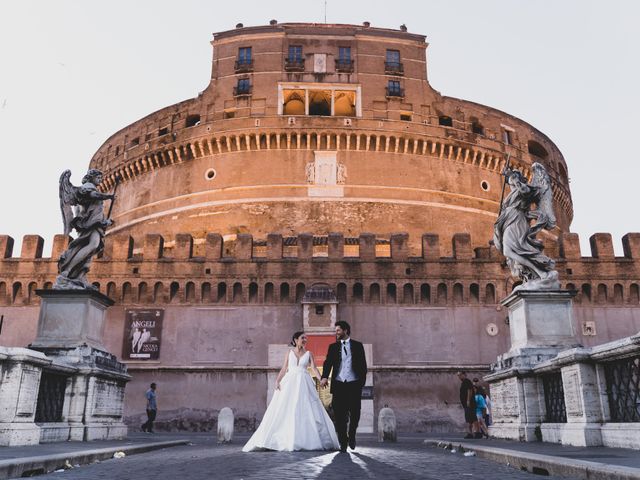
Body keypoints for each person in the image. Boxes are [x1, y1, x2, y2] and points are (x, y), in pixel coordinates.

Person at [243, 332, 339, 452]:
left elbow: (314, 368)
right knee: (286, 407)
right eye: (302, 338)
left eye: (306, 338)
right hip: (290, 382)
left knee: (305, 408)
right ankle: (282, 438)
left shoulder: (309, 354)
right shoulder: (289, 353)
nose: (305, 340)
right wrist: (278, 381)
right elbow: (284, 368)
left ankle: (307, 439)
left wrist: (321, 379)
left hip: (304, 382)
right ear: (295, 339)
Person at [320, 321, 368, 453]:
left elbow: (363, 365)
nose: (336, 333)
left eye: (338, 330)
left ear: (345, 330)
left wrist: (361, 382)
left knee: (355, 413)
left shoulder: (358, 346)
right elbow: (328, 363)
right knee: (339, 415)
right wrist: (324, 376)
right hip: (339, 384)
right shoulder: (333, 347)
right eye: (335, 331)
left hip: (354, 384)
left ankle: (351, 435)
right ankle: (343, 441)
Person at [457, 371, 476, 439]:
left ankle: (470, 433)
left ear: (464, 375)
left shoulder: (467, 381)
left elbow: (469, 390)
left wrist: (468, 401)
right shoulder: (464, 382)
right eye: (458, 375)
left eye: (460, 375)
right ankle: (472, 433)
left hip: (469, 404)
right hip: (466, 404)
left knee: (469, 418)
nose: (459, 377)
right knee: (470, 418)